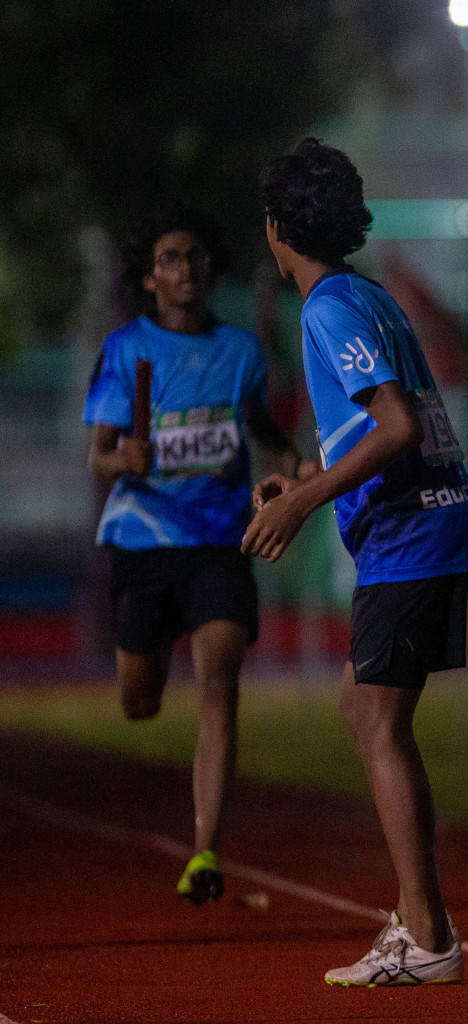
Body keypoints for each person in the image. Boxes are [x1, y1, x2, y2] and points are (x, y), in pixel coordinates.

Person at [250, 138, 468, 986]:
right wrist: (309, 475)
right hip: (428, 522)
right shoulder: (367, 296)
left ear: (278, 229)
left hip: (413, 534)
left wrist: (304, 507)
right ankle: (421, 924)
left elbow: (397, 426)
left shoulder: (327, 309)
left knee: (376, 721)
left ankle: (428, 937)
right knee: (364, 707)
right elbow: (381, 427)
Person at [84, 206, 314, 905]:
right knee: (140, 701)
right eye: (170, 260)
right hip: (145, 541)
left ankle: (205, 851)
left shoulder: (241, 353)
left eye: (194, 258)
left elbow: (261, 430)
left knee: (220, 682)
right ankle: (146, 692)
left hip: (219, 542)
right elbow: (97, 456)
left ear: (210, 270)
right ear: (150, 278)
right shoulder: (127, 350)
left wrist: (296, 465)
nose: (184, 271)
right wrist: (125, 454)